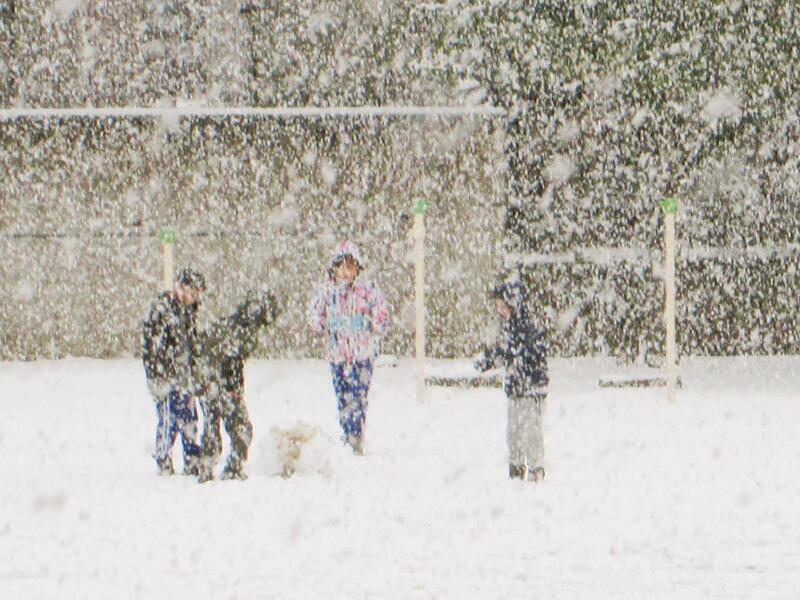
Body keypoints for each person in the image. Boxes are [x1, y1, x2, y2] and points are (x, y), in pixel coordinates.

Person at [308, 241, 390, 454]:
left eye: (351, 266)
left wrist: (370, 323)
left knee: (358, 395)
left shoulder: (367, 290)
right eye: (341, 266)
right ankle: (347, 432)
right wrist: (325, 324)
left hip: (361, 355)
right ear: (334, 269)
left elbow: (382, 312)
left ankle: (356, 434)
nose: (346, 272)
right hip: (337, 356)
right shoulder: (327, 292)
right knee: (342, 396)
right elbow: (314, 315)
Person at [195, 289, 279, 483]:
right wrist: (233, 390)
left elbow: (205, 346)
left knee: (211, 425)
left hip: (205, 380)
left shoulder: (229, 323)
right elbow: (230, 361)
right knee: (242, 429)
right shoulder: (245, 331)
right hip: (221, 383)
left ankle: (207, 466)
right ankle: (233, 468)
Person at [475, 281, 549, 481]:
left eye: (503, 306)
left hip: (530, 387)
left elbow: (526, 353)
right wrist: (490, 360)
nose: (500, 311)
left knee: (530, 431)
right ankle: (516, 469)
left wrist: (513, 358)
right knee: (514, 432)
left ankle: (536, 470)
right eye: (498, 307)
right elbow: (506, 352)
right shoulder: (511, 326)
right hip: (517, 387)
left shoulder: (528, 325)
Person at [142, 267, 206, 476]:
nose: (194, 297)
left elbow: (191, 341)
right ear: (181, 287)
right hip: (165, 375)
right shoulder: (162, 309)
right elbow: (152, 345)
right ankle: (163, 457)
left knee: (188, 416)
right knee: (169, 418)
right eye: (192, 291)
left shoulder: (189, 310)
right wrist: (160, 370)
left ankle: (192, 458)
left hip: (184, 373)